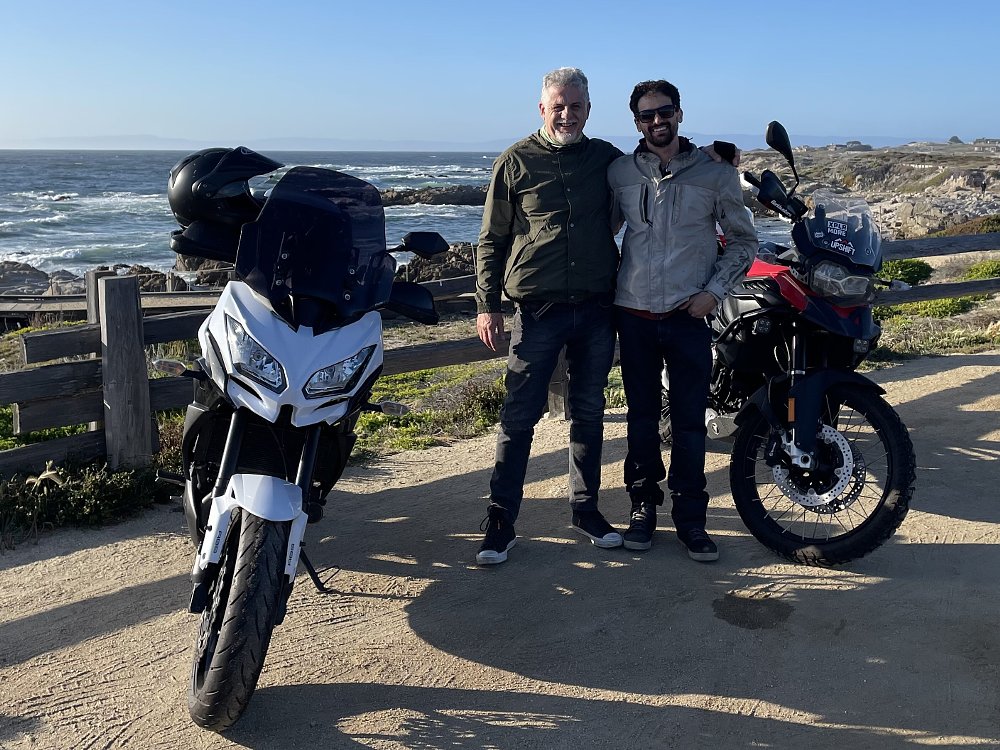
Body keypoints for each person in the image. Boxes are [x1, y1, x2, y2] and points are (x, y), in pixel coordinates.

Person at [473, 67, 625, 565]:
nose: (567, 114)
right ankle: (501, 518)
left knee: (589, 412)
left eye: (575, 105)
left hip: (597, 309)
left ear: (588, 107)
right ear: (542, 108)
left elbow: (656, 173)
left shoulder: (606, 159)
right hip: (535, 313)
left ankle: (585, 509)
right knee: (519, 417)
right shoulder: (515, 161)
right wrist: (487, 306)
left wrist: (711, 155)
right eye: (557, 105)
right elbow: (492, 239)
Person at [608, 79, 757, 561]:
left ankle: (692, 518)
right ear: (636, 122)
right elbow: (599, 233)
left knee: (690, 421)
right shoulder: (619, 174)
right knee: (642, 419)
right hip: (632, 315)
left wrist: (714, 293)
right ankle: (642, 508)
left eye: (665, 112)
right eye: (647, 115)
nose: (657, 121)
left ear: (679, 114)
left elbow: (743, 241)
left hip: (688, 315)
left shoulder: (714, 174)